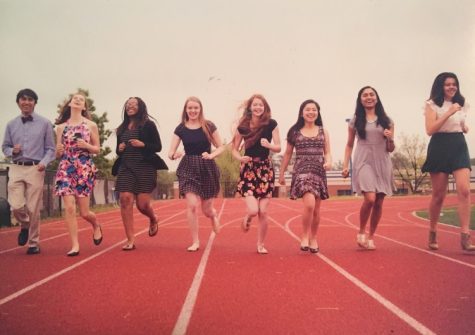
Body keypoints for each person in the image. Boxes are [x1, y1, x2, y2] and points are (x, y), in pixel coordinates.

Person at [421, 72, 474, 251]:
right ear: (440, 86)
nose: (451, 87)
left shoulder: (463, 103)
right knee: (439, 195)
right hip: (439, 146)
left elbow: (460, 122)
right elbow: (430, 129)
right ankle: (433, 230)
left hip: (458, 144)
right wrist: (449, 113)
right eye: (447, 84)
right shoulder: (431, 104)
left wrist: (463, 126)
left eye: (454, 84)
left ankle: (465, 236)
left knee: (465, 190)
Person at [2, 89, 55, 255]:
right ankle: (24, 224)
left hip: (35, 168)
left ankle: (33, 243)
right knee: (16, 205)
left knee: (33, 208)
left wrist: (44, 163)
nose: (26, 102)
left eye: (30, 99)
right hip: (16, 167)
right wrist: (12, 151)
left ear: (35, 103)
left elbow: (51, 149)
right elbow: (5, 147)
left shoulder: (45, 123)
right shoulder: (11, 124)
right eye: (23, 99)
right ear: (18, 102)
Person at [168, 97, 224, 252]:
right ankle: (195, 241)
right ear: (185, 110)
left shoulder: (208, 126)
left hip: (206, 166)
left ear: (200, 109)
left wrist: (212, 155)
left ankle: (213, 216)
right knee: (192, 205)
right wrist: (175, 155)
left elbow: (221, 147)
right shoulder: (180, 128)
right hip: (188, 168)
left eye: (196, 108)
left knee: (206, 209)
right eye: (190, 108)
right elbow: (170, 153)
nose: (193, 111)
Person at [342, 86, 394, 250]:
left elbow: (391, 148)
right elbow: (349, 144)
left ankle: (371, 237)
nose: (369, 97)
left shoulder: (387, 121)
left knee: (379, 201)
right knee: (370, 198)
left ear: (377, 98)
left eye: (372, 94)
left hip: (382, 161)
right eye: (365, 95)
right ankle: (361, 231)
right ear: (360, 99)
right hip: (363, 160)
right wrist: (345, 165)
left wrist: (390, 138)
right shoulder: (355, 120)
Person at [279, 99, 332, 253]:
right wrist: (281, 174)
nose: (311, 112)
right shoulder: (294, 132)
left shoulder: (324, 131)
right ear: (302, 113)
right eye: (307, 109)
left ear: (318, 112)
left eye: (314, 110)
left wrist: (328, 162)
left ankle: (313, 237)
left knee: (316, 210)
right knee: (309, 204)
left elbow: (327, 152)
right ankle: (304, 235)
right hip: (301, 171)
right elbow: (287, 154)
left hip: (318, 171)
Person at [232, 94, 281, 254]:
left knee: (264, 211)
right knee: (254, 210)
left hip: (265, 169)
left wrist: (270, 145)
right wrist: (241, 157)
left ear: (265, 107)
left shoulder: (271, 124)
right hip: (249, 170)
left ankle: (260, 244)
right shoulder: (243, 126)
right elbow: (234, 149)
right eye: (255, 105)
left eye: (261, 105)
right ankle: (248, 217)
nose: (258, 107)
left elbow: (279, 147)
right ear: (250, 108)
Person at [54, 93, 102, 256]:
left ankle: (95, 224)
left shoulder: (91, 125)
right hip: (66, 166)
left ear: (84, 107)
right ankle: (75, 244)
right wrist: (58, 151)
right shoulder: (60, 127)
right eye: (75, 98)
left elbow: (97, 149)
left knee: (84, 212)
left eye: (81, 100)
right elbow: (57, 153)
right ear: (70, 104)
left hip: (83, 167)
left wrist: (87, 145)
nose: (78, 100)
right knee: (68, 207)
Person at [115, 97, 161, 251]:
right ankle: (130, 240)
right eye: (128, 104)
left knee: (142, 204)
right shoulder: (121, 129)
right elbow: (117, 150)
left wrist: (143, 144)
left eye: (134, 104)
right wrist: (119, 148)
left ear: (140, 107)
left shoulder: (148, 125)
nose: (130, 106)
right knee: (125, 199)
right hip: (126, 167)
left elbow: (157, 146)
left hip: (145, 167)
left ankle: (153, 218)